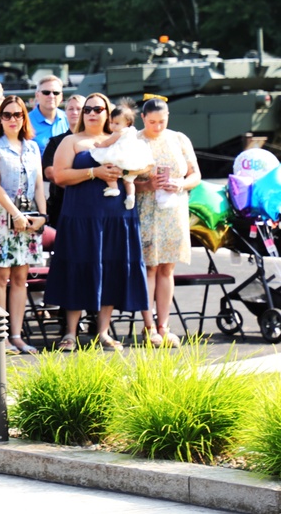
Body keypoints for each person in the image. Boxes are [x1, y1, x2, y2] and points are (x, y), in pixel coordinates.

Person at [43, 93, 149, 351]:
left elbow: (142, 166)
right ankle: (70, 333)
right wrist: (94, 172)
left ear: (108, 112)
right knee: (77, 269)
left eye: (98, 109)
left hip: (117, 218)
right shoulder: (71, 140)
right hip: (80, 218)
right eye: (87, 109)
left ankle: (103, 332)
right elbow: (59, 176)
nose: (92, 113)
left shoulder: (122, 138)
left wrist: (132, 172)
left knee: (112, 269)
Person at [0, 96, 46, 354]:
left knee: (20, 277)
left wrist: (42, 216)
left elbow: (38, 185)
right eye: (7, 115)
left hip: (27, 216)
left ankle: (17, 335)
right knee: (1, 276)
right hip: (0, 216)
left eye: (17, 114)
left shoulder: (33, 147)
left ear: (24, 117)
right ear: (0, 118)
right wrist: (15, 214)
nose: (13, 119)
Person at [134, 98, 201, 348]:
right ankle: (148, 326)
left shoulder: (179, 139)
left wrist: (181, 184)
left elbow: (195, 174)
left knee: (167, 267)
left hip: (174, 208)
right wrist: (146, 185)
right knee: (149, 267)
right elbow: (124, 181)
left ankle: (164, 325)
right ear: (143, 118)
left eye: (162, 121)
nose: (158, 126)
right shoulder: (136, 141)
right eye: (152, 122)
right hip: (147, 208)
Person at [90, 99, 154, 210]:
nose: (113, 126)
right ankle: (130, 196)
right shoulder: (133, 131)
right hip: (131, 159)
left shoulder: (118, 133)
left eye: (117, 123)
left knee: (109, 169)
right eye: (111, 123)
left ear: (127, 123)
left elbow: (107, 143)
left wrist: (99, 146)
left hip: (119, 157)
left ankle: (114, 188)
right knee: (128, 181)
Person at [42, 95, 84, 228]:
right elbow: (50, 172)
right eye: (70, 109)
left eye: (79, 108)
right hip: (61, 204)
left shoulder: (97, 141)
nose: (75, 112)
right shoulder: (55, 142)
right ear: (65, 112)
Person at [28, 75, 69, 155]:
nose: (51, 96)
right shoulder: (26, 121)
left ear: (61, 97)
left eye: (56, 93)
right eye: (46, 92)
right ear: (37, 95)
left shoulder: (68, 119)